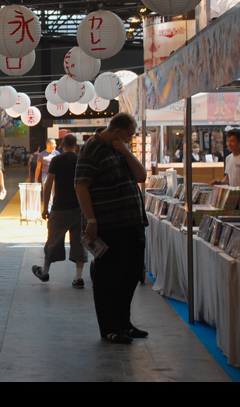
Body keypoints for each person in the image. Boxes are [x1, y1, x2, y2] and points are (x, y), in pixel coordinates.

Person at [75, 113, 148, 344]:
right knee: (109, 278)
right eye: (129, 135)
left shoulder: (120, 148)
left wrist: (126, 151)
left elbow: (141, 176)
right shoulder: (92, 148)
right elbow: (81, 185)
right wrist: (92, 220)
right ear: (118, 132)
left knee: (132, 272)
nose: (130, 139)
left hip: (132, 222)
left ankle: (124, 322)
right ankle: (110, 328)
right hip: (109, 225)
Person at [33, 133, 87, 288]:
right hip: (79, 208)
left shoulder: (57, 160)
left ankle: (44, 271)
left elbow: (48, 183)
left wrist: (45, 207)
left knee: (53, 240)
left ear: (62, 145)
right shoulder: (81, 160)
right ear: (76, 146)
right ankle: (78, 277)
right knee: (79, 242)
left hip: (60, 207)